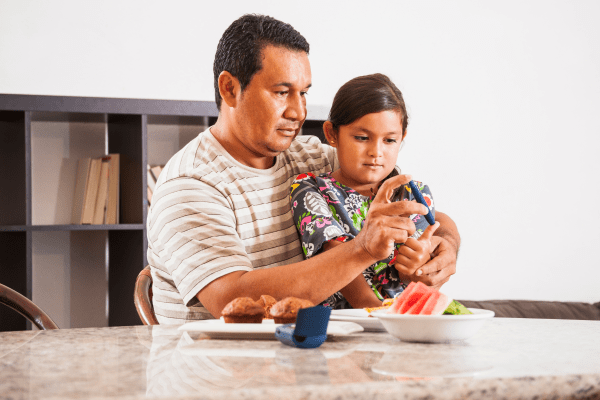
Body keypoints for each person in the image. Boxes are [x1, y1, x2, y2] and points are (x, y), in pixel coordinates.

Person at [147, 14, 460, 324]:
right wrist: (362, 249)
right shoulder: (190, 184)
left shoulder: (312, 157)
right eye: (282, 92)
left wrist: (444, 245)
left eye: (304, 92)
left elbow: (408, 202)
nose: (298, 111)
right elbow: (231, 301)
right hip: (219, 366)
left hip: (311, 352)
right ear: (230, 89)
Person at [290, 73, 439, 309]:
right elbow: (338, 267)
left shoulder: (414, 194)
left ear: (402, 139)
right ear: (331, 134)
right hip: (348, 323)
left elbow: (423, 280)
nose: (376, 152)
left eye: (389, 140)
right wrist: (380, 316)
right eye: (362, 137)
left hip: (403, 321)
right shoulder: (311, 190)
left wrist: (419, 265)